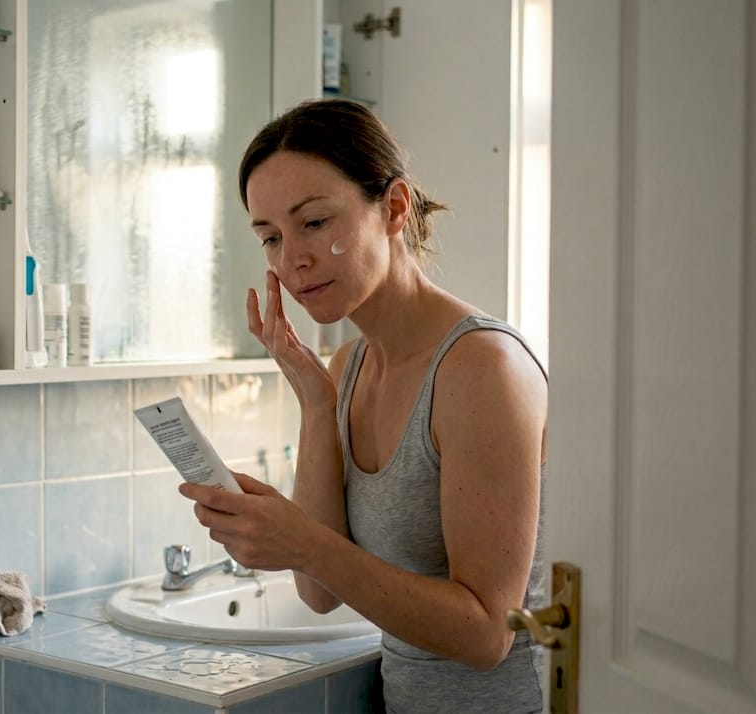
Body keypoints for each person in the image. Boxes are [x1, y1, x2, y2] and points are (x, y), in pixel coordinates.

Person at [178, 98, 548, 713]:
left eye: (315, 223)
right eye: (270, 236)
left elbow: (487, 634)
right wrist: (318, 408)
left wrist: (300, 540)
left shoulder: (482, 368)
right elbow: (320, 592)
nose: (292, 259)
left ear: (395, 207)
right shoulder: (348, 369)